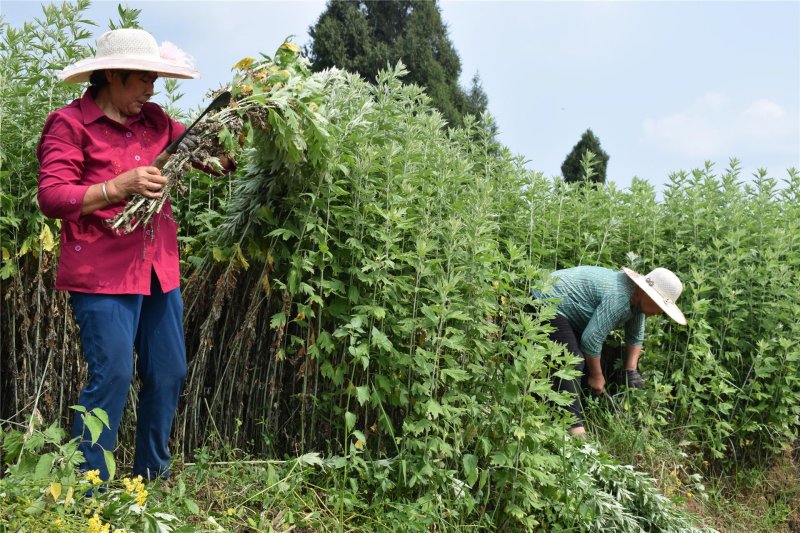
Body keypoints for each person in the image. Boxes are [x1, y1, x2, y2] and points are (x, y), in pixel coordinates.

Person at [37, 28, 231, 480]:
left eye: (153, 80)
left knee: (168, 372)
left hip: (157, 270)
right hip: (101, 272)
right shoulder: (70, 124)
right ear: (110, 74)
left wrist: (237, 126)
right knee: (113, 377)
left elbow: (217, 161)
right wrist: (115, 187)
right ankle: (88, 487)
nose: (150, 89)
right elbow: (52, 195)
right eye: (141, 79)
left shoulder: (158, 122)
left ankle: (151, 478)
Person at [531, 265, 687, 437]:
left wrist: (630, 370)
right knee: (573, 360)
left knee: (610, 357)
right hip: (547, 301)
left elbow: (635, 337)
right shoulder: (619, 298)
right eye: (660, 306)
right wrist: (596, 376)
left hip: (568, 314)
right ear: (648, 294)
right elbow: (591, 340)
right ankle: (575, 431)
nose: (660, 312)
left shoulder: (636, 301)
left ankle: (582, 408)